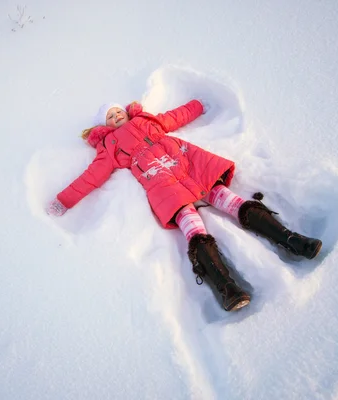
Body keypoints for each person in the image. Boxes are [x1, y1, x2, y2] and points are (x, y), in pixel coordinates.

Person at [46, 100, 322, 311]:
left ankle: (292, 240)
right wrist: (63, 201)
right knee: (191, 225)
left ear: (127, 112)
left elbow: (174, 117)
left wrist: (198, 105)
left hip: (188, 162)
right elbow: (91, 176)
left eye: (119, 111)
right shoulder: (109, 146)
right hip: (160, 180)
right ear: (103, 125)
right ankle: (227, 288)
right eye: (110, 116)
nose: (117, 116)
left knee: (228, 198)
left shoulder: (147, 121)